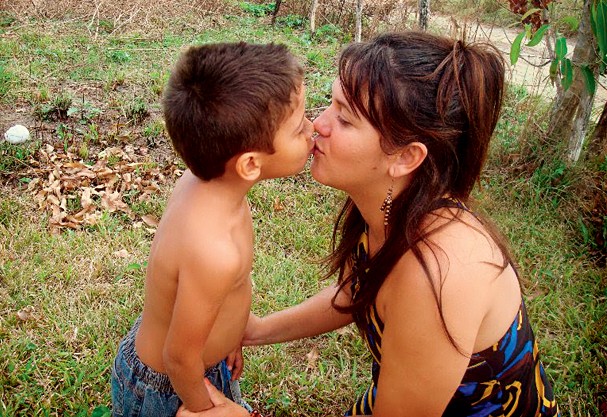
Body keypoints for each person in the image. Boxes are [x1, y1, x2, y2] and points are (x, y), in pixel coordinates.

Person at [180, 31, 560, 417]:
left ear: (406, 157)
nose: (317, 125)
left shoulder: (440, 276)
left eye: (344, 118)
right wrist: (256, 330)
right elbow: (353, 294)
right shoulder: (394, 206)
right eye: (330, 104)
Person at [111, 41, 314, 417]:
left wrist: (230, 334)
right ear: (250, 164)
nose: (313, 129)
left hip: (203, 362)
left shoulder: (208, 182)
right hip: (172, 388)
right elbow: (178, 357)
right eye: (300, 127)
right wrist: (205, 410)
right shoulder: (213, 251)